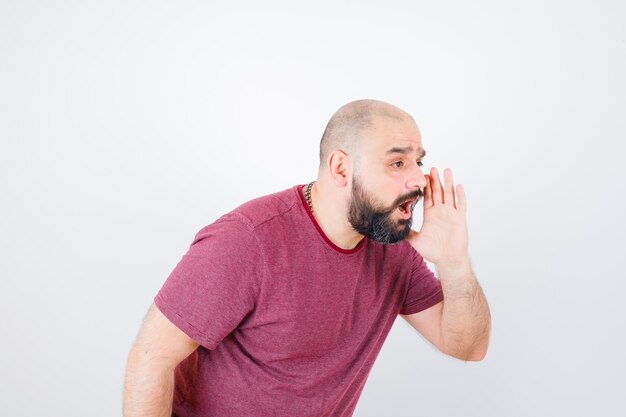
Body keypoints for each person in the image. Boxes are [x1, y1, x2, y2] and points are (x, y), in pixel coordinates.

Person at [123, 99, 491, 417]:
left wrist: (454, 264)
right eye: (397, 164)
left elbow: (467, 347)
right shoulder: (247, 239)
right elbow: (150, 359)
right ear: (341, 169)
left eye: (418, 162)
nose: (419, 180)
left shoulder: (395, 249)